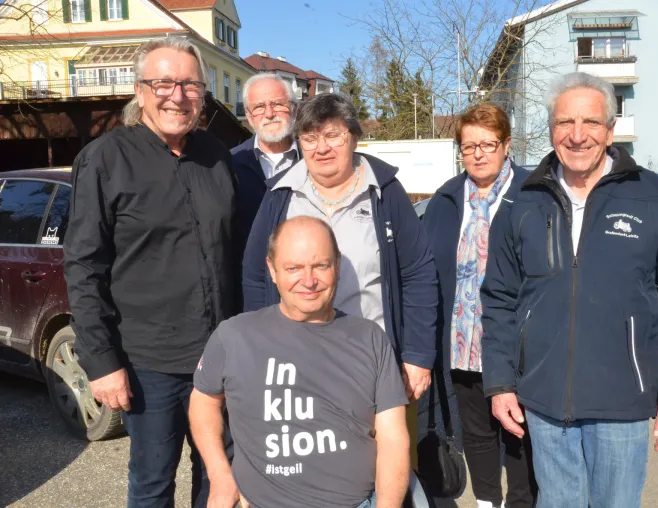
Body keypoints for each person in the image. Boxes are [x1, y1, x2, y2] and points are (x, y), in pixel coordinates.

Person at [481, 72, 658, 508]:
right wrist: (500, 382)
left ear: (610, 130)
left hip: (621, 404)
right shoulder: (519, 203)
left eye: (591, 123)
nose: (577, 135)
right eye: (565, 122)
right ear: (551, 130)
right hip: (545, 404)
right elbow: (499, 300)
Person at [64, 37, 237, 508]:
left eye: (189, 84)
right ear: (140, 91)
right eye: (163, 82)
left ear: (202, 95)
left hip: (219, 358)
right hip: (148, 363)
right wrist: (101, 363)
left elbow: (236, 251)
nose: (176, 95)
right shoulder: (105, 159)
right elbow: (83, 266)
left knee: (221, 476)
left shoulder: (216, 156)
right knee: (153, 482)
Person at [189, 216, 410, 508]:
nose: (308, 281)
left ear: (338, 266)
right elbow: (203, 402)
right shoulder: (234, 336)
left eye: (321, 265)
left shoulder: (370, 338)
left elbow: (393, 439)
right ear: (272, 270)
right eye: (293, 268)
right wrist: (219, 475)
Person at [242, 93, 438, 405]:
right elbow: (255, 276)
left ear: (354, 138)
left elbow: (418, 274)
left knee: (383, 449)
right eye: (309, 138)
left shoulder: (384, 192)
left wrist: (417, 355)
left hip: (372, 359)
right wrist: (260, 348)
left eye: (333, 135)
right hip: (297, 363)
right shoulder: (280, 196)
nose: (321, 148)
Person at [422, 104, 536, 508]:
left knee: (518, 435)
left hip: (516, 344)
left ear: (506, 145)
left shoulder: (533, 194)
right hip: (462, 343)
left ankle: (521, 503)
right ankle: (487, 501)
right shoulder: (446, 201)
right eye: (469, 146)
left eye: (488, 144)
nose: (479, 154)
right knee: (476, 432)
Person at [230, 74, 302, 252]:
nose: (269, 114)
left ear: (294, 108)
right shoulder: (230, 164)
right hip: (247, 276)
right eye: (259, 107)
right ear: (248, 114)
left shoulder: (313, 160)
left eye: (278, 104)